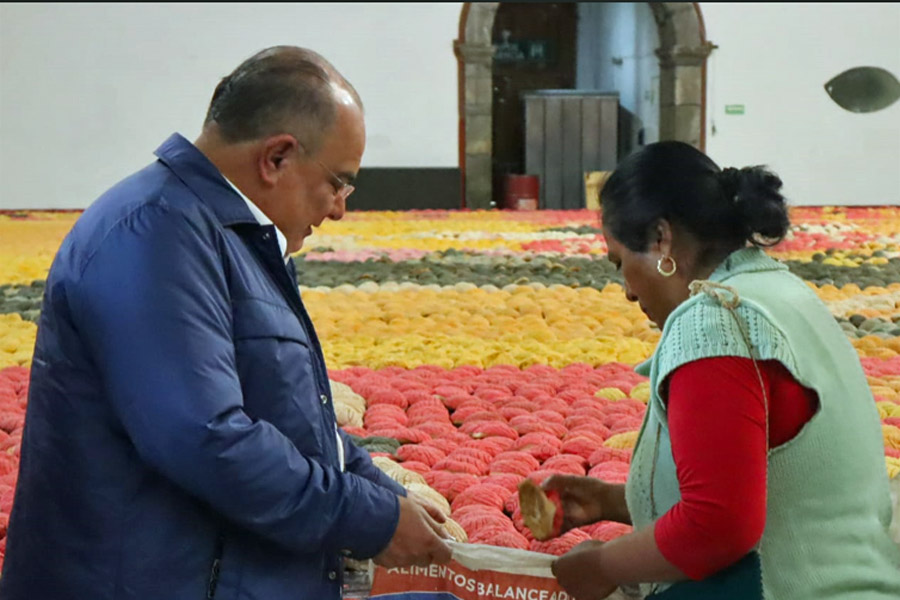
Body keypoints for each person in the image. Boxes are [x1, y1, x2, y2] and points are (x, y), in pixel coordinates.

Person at [0, 46, 451, 599]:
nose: (339, 207)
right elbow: (205, 438)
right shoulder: (156, 236)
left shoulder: (221, 234)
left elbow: (281, 413)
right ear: (277, 158)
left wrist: (377, 491)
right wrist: (367, 517)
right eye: (338, 182)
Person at [547, 141, 900, 599]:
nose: (629, 293)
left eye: (620, 263)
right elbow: (777, 489)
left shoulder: (716, 323)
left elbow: (719, 526)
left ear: (660, 238)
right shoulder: (778, 290)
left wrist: (603, 565)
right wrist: (617, 502)